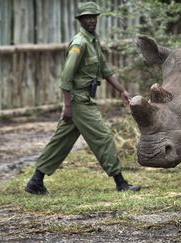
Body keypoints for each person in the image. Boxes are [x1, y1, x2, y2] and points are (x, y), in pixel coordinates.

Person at [25, 1, 140, 194]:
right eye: (87, 17)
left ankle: (36, 181)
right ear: (80, 20)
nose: (91, 21)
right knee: (103, 137)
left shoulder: (93, 41)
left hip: (83, 100)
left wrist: (122, 90)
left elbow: (105, 70)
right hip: (79, 102)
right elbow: (66, 77)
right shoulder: (79, 43)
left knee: (60, 141)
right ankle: (121, 183)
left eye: (93, 17)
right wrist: (68, 107)